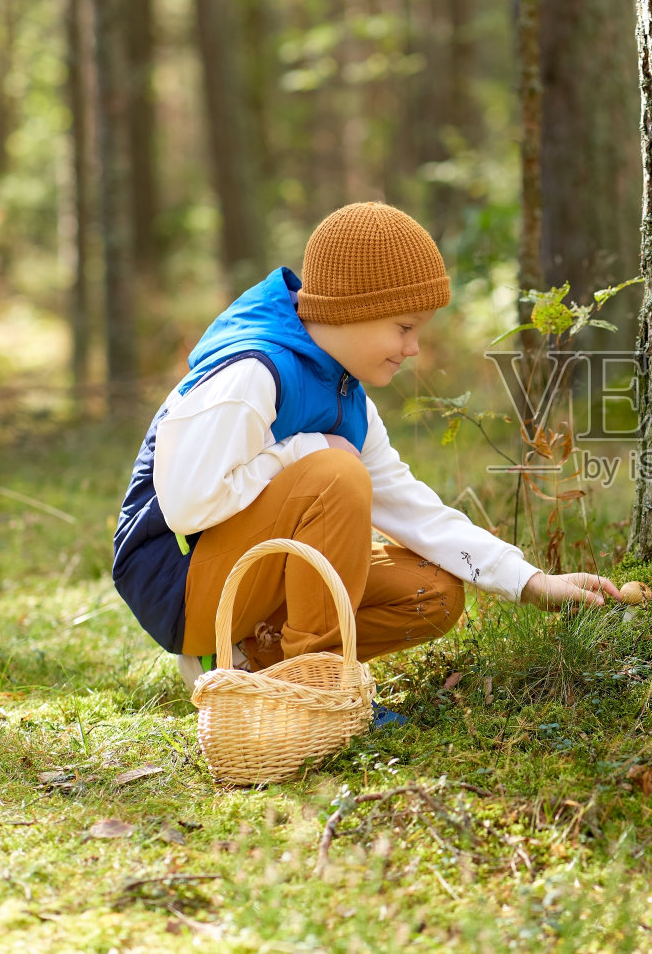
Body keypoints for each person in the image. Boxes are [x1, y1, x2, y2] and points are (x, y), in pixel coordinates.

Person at [113, 202, 619, 690]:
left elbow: (409, 506)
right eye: (404, 327)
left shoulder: (346, 394)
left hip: (246, 579)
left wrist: (528, 581)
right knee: (335, 472)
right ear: (351, 309)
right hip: (180, 584)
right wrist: (304, 451)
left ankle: (252, 666)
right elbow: (187, 505)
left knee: (434, 593)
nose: (414, 348)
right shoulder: (253, 370)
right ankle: (319, 689)